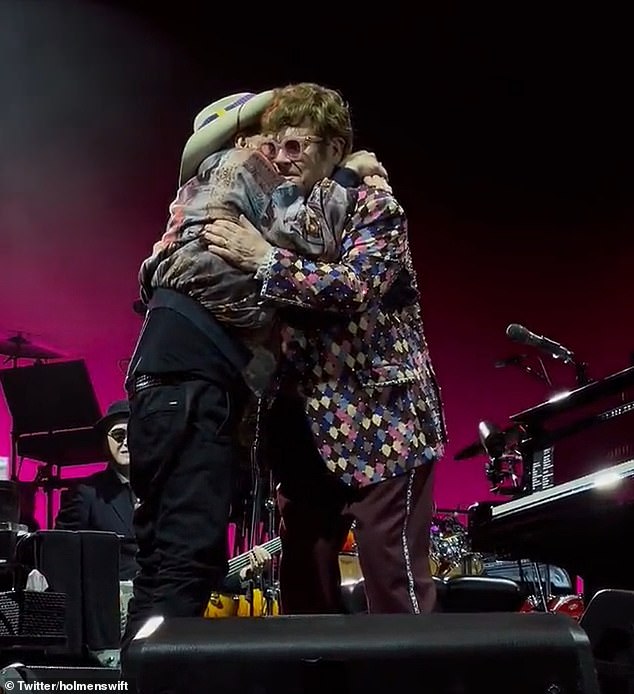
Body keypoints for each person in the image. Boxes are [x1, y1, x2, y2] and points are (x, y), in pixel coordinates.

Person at [123, 89, 384, 646]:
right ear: (241, 135)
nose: (282, 149)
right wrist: (346, 175)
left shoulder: (216, 178)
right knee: (187, 555)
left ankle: (139, 669)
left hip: (176, 376)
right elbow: (315, 238)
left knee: (167, 554)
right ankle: (159, 678)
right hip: (191, 378)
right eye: (273, 133)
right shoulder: (243, 164)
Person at [205, 82, 448, 615]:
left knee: (391, 573)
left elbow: (355, 287)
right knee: (304, 574)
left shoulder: (374, 203)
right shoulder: (272, 211)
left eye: (298, 146)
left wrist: (265, 261)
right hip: (301, 421)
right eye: (275, 146)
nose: (283, 159)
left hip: (382, 419)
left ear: (335, 148)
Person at [56, 400, 138, 581]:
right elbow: (60, 550)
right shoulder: (86, 493)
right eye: (118, 435)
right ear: (104, 444)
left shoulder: (162, 489)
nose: (126, 442)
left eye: (132, 434)